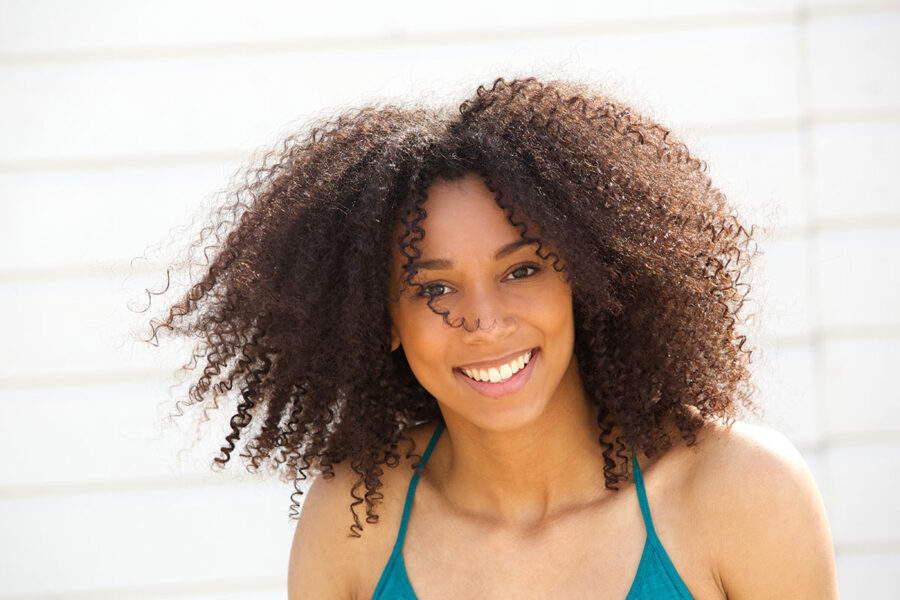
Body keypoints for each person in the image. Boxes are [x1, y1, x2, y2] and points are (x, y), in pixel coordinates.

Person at [145, 76, 839, 598]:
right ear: (379, 317)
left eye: (523, 269)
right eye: (434, 288)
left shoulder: (739, 490)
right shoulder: (358, 517)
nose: (483, 320)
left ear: (586, 278)